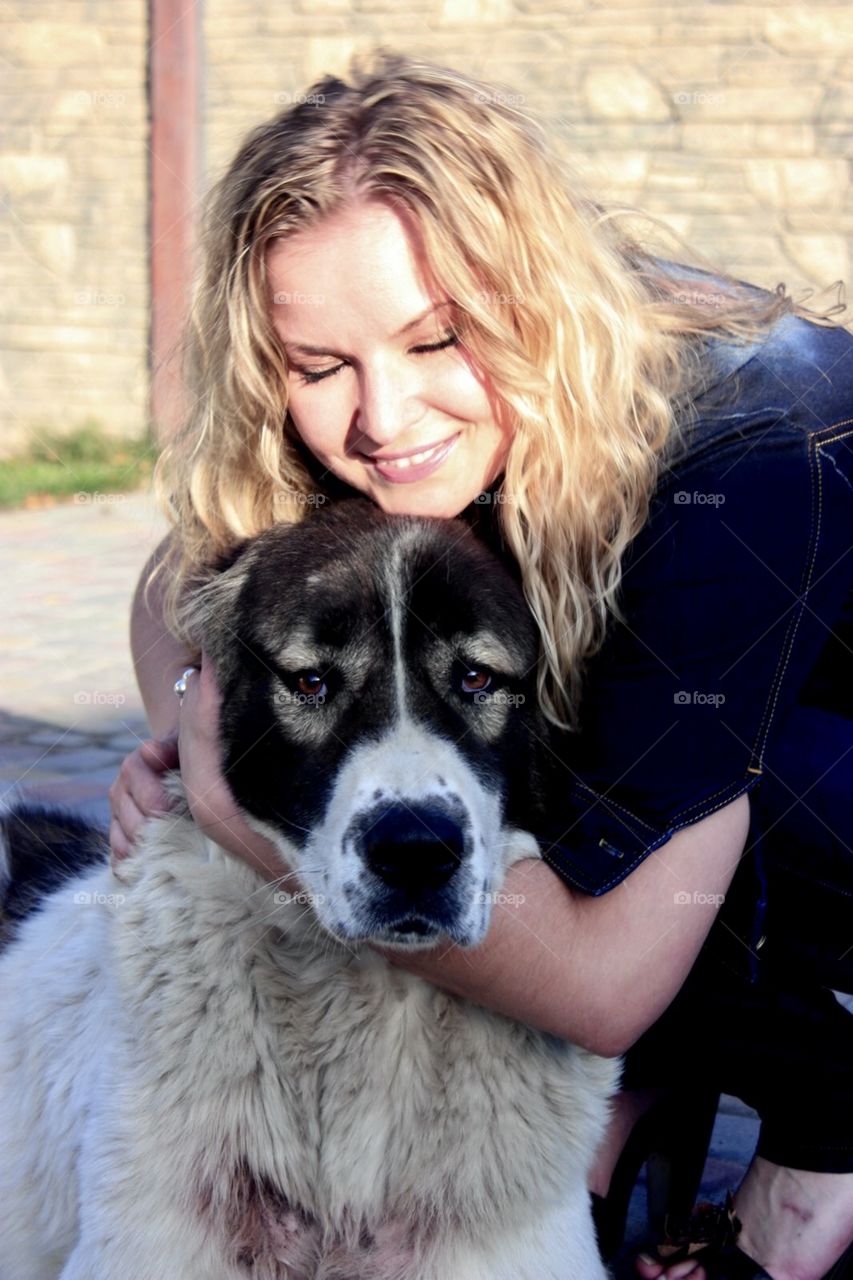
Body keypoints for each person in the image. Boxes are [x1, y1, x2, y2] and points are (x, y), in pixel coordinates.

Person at [110, 48, 853, 1279]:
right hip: (716, 716)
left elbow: (606, 975)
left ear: (526, 295)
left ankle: (822, 1118)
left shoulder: (742, 477)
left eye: (433, 339)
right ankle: (620, 1121)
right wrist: (203, 708)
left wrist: (250, 817)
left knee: (581, 774)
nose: (382, 421)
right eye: (319, 368)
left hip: (818, 763)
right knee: (467, 717)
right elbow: (184, 572)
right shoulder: (445, 393)